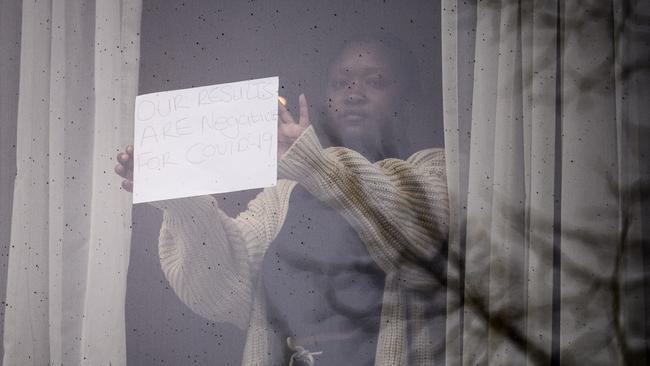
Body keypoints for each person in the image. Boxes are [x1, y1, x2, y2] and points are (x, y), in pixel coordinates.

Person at [116, 35, 448, 366]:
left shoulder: (439, 169)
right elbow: (222, 288)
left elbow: (421, 236)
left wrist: (313, 163)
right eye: (340, 82)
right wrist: (181, 198)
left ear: (409, 100)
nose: (353, 93)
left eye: (375, 81)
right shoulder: (283, 197)